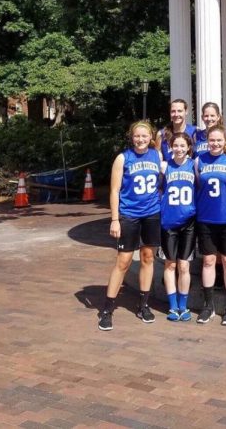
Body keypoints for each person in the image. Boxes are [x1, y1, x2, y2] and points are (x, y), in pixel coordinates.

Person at [98, 121, 162, 331]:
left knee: (148, 258)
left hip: (151, 214)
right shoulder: (123, 158)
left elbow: (160, 185)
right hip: (129, 215)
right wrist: (115, 219)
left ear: (151, 136)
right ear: (131, 137)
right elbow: (114, 190)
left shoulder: (156, 155)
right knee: (123, 261)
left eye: (145, 136)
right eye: (137, 136)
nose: (141, 139)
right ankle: (107, 308)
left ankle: (143, 304)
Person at [195, 124, 226, 325]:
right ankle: (208, 305)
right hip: (206, 218)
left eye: (218, 140)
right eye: (211, 140)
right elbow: (198, 185)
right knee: (207, 261)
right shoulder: (199, 160)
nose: (215, 144)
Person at [160, 132, 196, 322]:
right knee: (170, 264)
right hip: (168, 221)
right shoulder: (165, 166)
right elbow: (159, 189)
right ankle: (173, 306)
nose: (179, 149)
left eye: (183, 146)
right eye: (176, 145)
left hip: (188, 221)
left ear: (188, 147)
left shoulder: (194, 165)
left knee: (184, 265)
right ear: (170, 147)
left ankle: (183, 305)